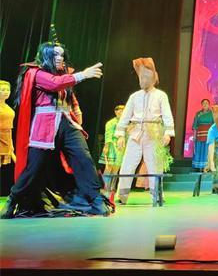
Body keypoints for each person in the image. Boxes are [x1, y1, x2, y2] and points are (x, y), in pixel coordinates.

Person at [1, 37, 110, 218]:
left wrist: (77, 111)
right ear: (46, 56)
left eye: (61, 55)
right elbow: (54, 84)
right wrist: (83, 74)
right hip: (44, 125)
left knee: (83, 158)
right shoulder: (35, 73)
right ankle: (13, 200)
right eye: (55, 55)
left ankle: (95, 199)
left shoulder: (63, 75)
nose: (60, 58)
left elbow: (69, 95)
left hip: (67, 122)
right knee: (34, 166)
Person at [116, 58, 175, 206]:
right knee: (127, 164)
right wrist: (120, 135)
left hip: (153, 133)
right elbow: (125, 116)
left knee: (155, 165)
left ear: (153, 79)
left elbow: (167, 115)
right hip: (136, 133)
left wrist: (168, 133)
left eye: (146, 78)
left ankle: (157, 195)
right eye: (141, 78)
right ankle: (122, 195)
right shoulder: (134, 96)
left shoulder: (161, 95)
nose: (143, 81)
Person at [102, 104, 125, 188]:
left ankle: (112, 187)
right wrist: (107, 146)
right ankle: (105, 186)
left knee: (116, 168)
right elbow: (108, 135)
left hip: (121, 147)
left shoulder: (125, 123)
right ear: (116, 112)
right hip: (112, 145)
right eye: (120, 110)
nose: (121, 112)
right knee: (109, 167)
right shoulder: (111, 122)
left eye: (123, 111)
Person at [191, 99, 213, 172]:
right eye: (203, 103)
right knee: (199, 151)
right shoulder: (198, 114)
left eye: (207, 103)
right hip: (199, 136)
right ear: (201, 105)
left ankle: (207, 167)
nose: (205, 104)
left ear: (209, 105)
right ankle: (199, 167)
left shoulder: (212, 113)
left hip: (209, 136)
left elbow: (214, 126)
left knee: (207, 151)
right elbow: (195, 126)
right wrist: (194, 136)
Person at [0, 80, 15, 167]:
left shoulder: (7, 107)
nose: (6, 92)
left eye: (8, 90)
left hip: (6, 139)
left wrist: (10, 143)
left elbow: (9, 128)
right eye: (3, 90)